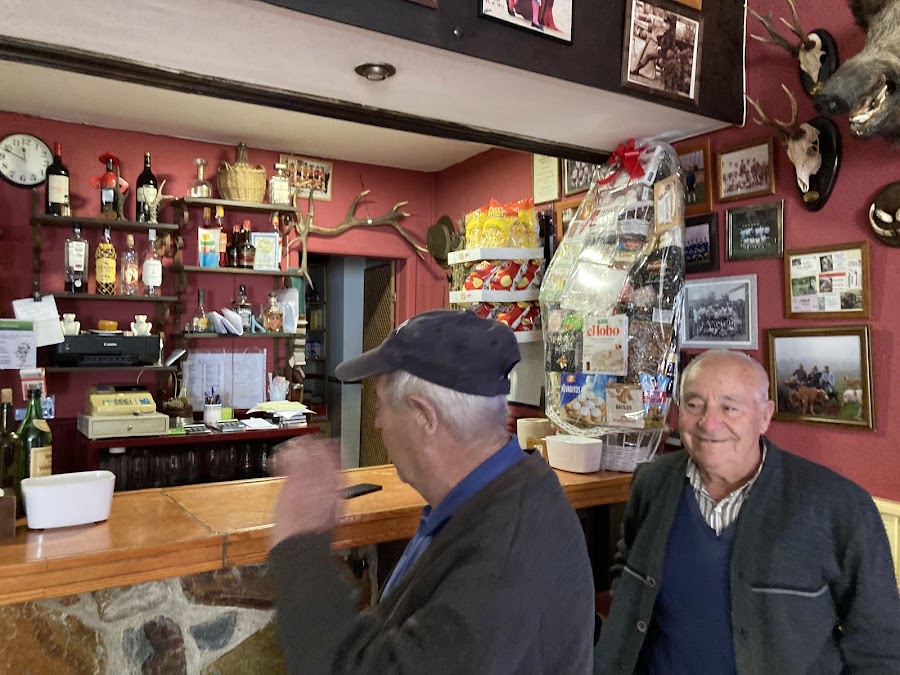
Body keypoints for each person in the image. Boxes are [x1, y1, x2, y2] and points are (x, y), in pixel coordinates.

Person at [269, 309, 595, 673]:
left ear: (424, 416)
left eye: (380, 405)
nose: (376, 423)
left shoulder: (506, 557)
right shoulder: (492, 499)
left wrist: (300, 542)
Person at [594, 349, 900, 673]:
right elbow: (628, 570)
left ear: (765, 416)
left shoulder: (839, 505)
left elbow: (879, 644)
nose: (709, 423)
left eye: (730, 407)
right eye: (694, 404)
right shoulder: (652, 482)